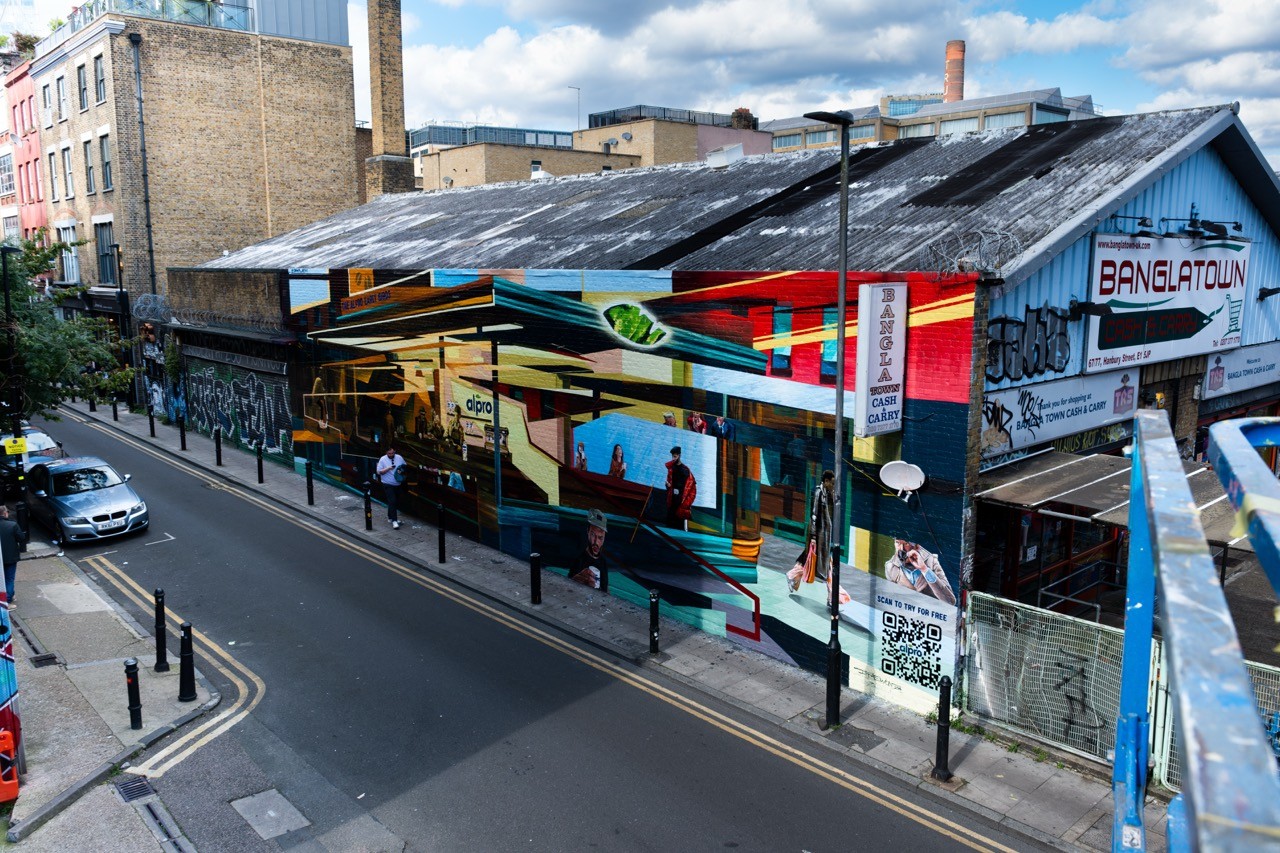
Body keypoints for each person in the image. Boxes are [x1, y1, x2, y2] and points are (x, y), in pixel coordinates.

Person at [786, 470, 850, 604]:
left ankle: (831, 596)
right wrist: (814, 536)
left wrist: (832, 495)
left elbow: (832, 510)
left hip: (824, 535)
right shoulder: (818, 493)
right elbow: (814, 515)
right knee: (814, 560)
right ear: (825, 481)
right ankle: (831, 596)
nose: (833, 486)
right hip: (818, 535)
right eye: (831, 483)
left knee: (821, 562)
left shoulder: (827, 494)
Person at [885, 539, 957, 605]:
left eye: (906, 544)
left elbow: (950, 601)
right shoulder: (890, 567)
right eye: (897, 543)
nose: (901, 549)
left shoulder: (931, 561)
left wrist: (924, 569)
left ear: (917, 547)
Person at [570, 508, 608, 590]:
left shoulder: (603, 562)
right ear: (588, 532)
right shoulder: (579, 559)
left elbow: (605, 589)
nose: (596, 542)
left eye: (600, 537)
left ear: (604, 538)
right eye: (593, 535)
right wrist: (576, 580)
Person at [0, 505, 27, 607]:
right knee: (9, 579)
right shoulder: (12, 525)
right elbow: (21, 538)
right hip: (10, 557)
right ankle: (7, 601)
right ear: (5, 513)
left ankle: (9, 595)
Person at [375, 446, 407, 529]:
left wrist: (401, 470)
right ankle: (394, 521)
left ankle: (390, 517)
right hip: (387, 484)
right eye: (389, 453)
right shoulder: (382, 459)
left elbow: (405, 466)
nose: (391, 455)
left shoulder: (399, 457)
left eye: (393, 453)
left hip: (397, 484)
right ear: (386, 453)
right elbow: (379, 472)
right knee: (392, 501)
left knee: (394, 501)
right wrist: (388, 468)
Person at [665, 446, 696, 530]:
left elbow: (691, 487)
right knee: (670, 521)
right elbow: (669, 481)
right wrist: (667, 485)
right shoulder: (672, 468)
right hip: (672, 498)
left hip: (681, 499)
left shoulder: (685, 470)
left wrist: (687, 502)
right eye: (672, 456)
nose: (673, 458)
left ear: (679, 456)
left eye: (675, 456)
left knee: (679, 523)